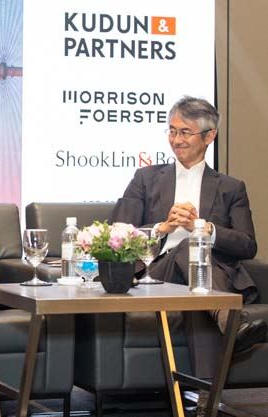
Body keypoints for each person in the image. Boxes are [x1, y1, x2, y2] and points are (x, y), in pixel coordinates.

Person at [112, 96, 265, 371]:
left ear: (210, 136)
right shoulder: (145, 179)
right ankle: (232, 322)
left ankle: (205, 391)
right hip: (158, 272)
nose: (176, 139)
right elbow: (118, 233)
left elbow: (247, 245)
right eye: (172, 131)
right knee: (190, 247)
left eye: (185, 132)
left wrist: (207, 230)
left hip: (208, 275)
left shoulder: (231, 188)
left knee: (198, 289)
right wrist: (163, 228)